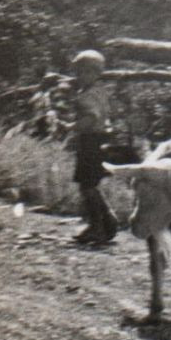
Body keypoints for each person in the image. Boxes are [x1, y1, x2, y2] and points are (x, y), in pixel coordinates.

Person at [69, 50, 119, 246]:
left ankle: (97, 227)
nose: (78, 77)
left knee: (87, 185)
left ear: (94, 73)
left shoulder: (87, 96)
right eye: (77, 72)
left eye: (82, 72)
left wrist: (73, 126)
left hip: (90, 140)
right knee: (90, 184)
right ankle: (107, 222)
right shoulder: (102, 92)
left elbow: (92, 117)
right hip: (100, 140)